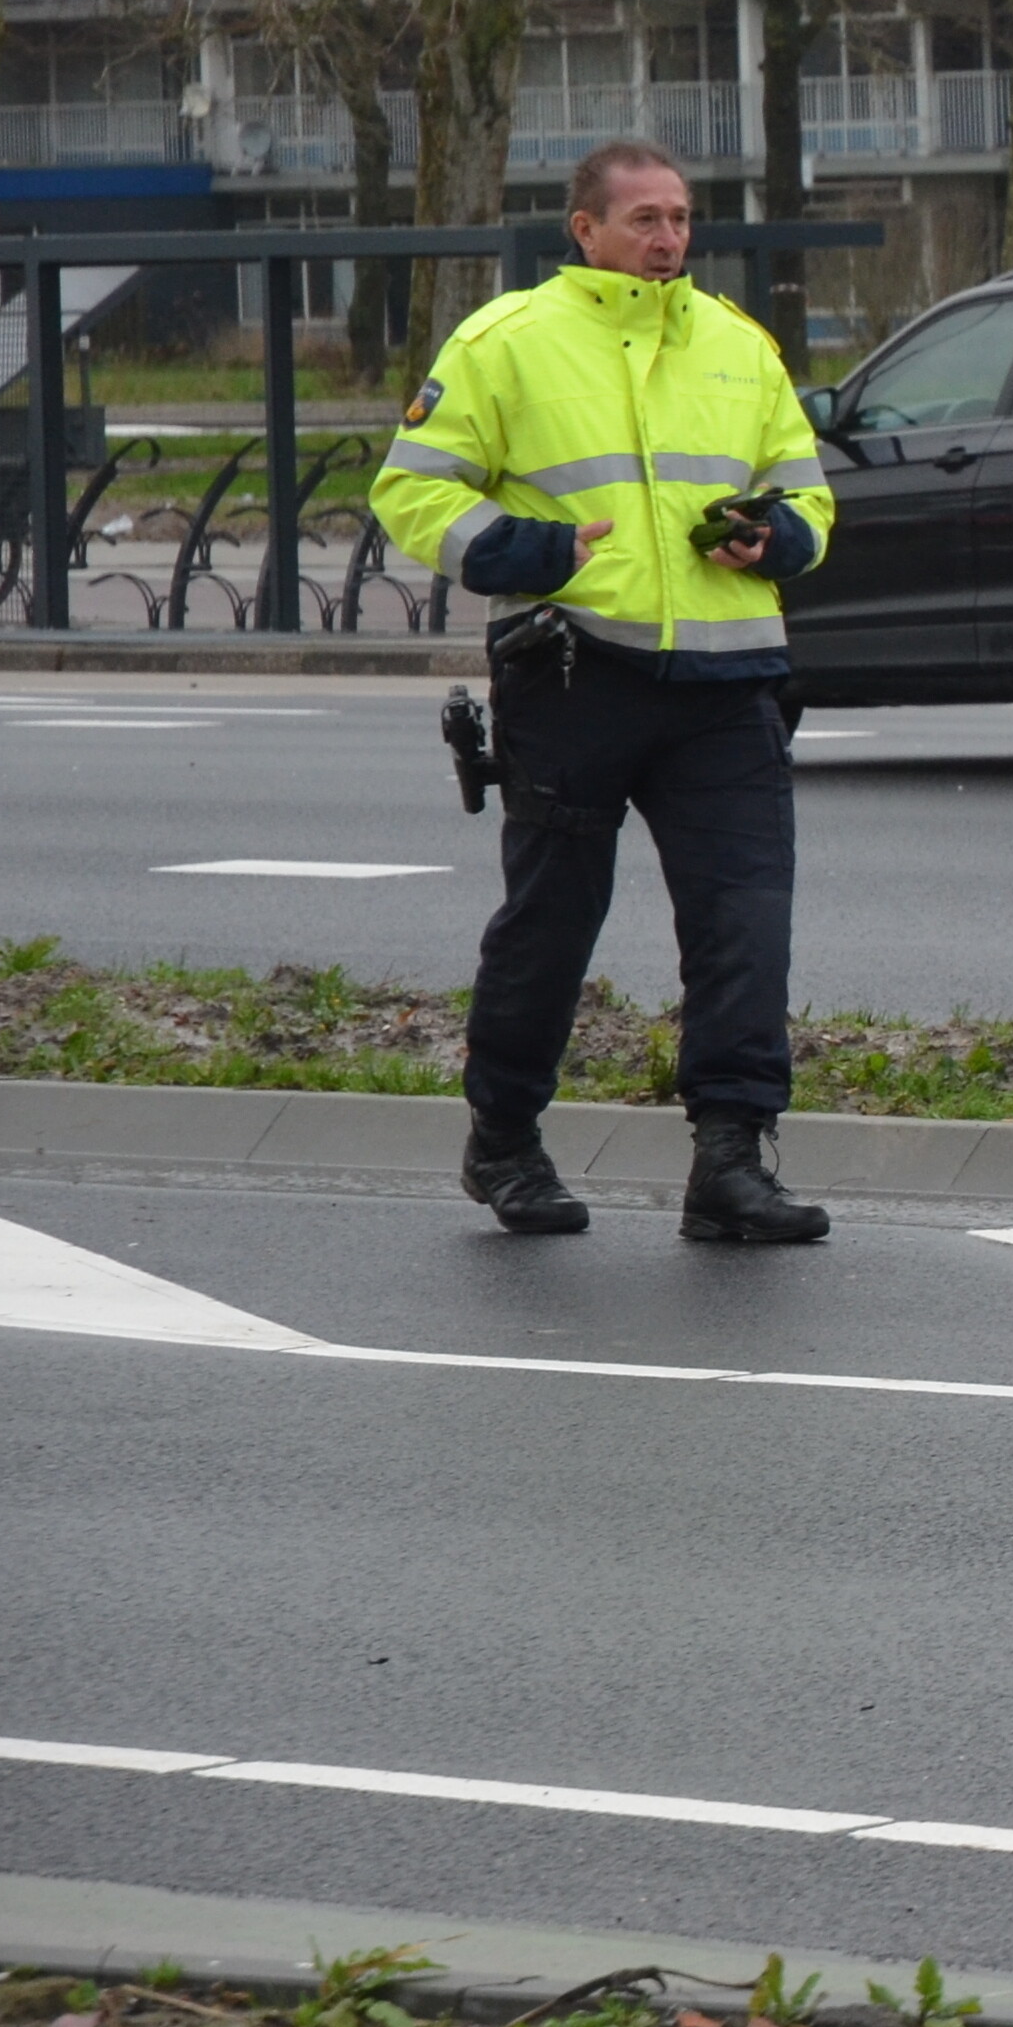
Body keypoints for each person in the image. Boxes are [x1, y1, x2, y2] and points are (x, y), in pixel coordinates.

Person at [374, 140, 837, 1243]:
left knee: (745, 927)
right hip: (574, 672)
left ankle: (731, 1162)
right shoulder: (506, 342)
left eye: (680, 217)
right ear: (584, 231)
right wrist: (519, 551)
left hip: (728, 682)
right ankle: (503, 1145)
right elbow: (410, 490)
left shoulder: (738, 345)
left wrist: (779, 537)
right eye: (644, 219)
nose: (669, 238)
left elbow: (809, 494)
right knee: (552, 923)